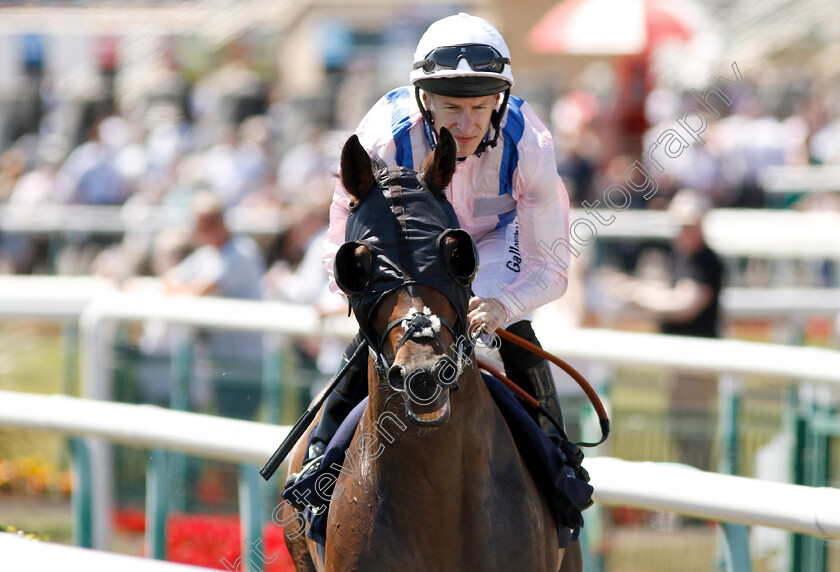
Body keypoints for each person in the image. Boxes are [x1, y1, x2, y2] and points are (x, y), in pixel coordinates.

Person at [303, 13, 574, 473]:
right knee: (391, 320)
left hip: (496, 238)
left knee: (496, 320)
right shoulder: (381, 141)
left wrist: (503, 307)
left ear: (499, 100)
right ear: (424, 99)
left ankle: (559, 457)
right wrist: (370, 299)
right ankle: (320, 454)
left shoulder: (530, 144)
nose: (467, 125)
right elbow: (339, 252)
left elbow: (551, 266)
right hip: (415, 247)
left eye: (481, 106)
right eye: (452, 107)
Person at [602, 188, 724, 469]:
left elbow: (685, 304)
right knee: (681, 439)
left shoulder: (705, 260)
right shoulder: (684, 255)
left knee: (694, 442)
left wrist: (636, 294)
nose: (681, 231)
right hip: (682, 365)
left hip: (696, 367)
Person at [164, 191, 265, 418]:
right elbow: (170, 279)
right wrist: (183, 290)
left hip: (245, 367)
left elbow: (199, 291)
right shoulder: (210, 253)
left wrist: (183, 291)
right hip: (222, 365)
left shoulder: (241, 252)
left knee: (238, 434)